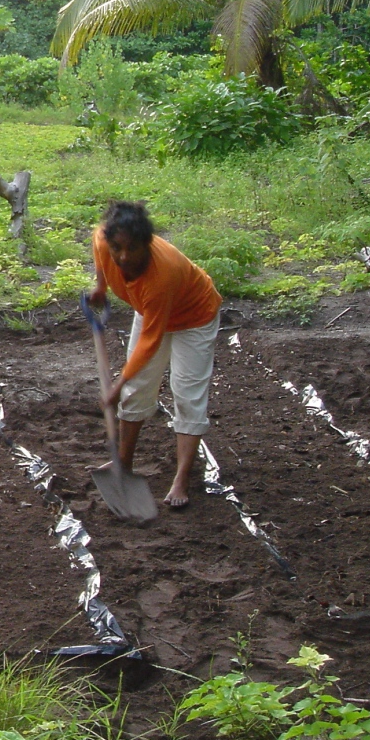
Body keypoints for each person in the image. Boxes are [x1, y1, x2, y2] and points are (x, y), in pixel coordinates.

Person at [89, 201, 222, 509]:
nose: (123, 257)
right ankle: (123, 463)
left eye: (132, 248)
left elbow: (150, 342)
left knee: (187, 393)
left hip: (194, 317)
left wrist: (117, 385)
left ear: (146, 244)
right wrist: (101, 287)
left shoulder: (163, 274)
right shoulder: (103, 240)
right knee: (137, 390)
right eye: (117, 248)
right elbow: (100, 251)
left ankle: (181, 479)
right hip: (150, 311)